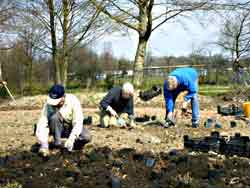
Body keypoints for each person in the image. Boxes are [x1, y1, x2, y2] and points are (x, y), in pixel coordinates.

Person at [36, 84, 91, 156]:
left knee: (86, 137)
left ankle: (69, 145)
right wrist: (44, 145)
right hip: (56, 128)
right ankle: (57, 144)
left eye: (57, 101)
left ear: (63, 97)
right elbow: (42, 123)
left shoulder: (73, 100)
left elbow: (78, 122)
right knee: (54, 117)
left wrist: (72, 139)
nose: (55, 105)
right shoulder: (48, 104)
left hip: (71, 127)